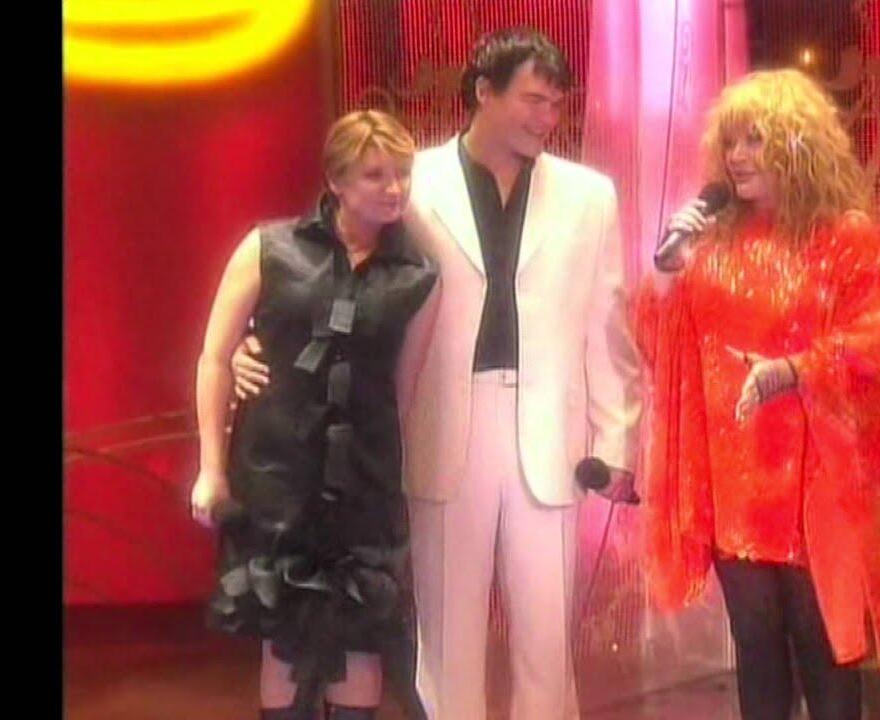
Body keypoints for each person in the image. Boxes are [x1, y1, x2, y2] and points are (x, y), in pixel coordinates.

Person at [231, 28, 642, 720]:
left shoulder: (589, 195)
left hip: (552, 431)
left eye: (556, 104)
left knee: (547, 638)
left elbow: (608, 324)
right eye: (533, 100)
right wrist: (253, 341)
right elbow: (326, 264)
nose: (547, 117)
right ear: (484, 93)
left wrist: (617, 439)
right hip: (439, 420)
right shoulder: (411, 183)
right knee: (447, 639)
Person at [633, 68, 880, 720]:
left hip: (816, 485)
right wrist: (667, 270)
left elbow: (879, 340)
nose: (737, 157)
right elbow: (660, 345)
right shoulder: (715, 241)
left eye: (756, 140)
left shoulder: (846, 236)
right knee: (757, 647)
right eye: (731, 142)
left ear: (799, 146)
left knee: (823, 649)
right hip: (735, 485)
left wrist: (792, 370)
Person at [190, 110, 437, 720]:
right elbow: (214, 358)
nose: (394, 188)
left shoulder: (417, 276)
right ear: (336, 181)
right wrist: (211, 469)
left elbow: (403, 391)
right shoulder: (268, 248)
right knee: (284, 636)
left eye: (402, 173)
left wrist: (392, 482)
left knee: (360, 636)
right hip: (277, 474)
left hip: (365, 484)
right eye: (375, 175)